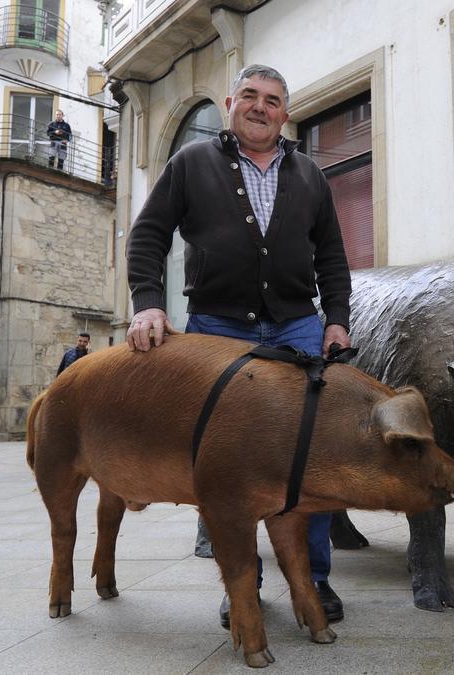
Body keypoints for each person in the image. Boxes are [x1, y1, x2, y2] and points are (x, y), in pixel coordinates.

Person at [125, 64, 353, 629]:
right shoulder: (191, 163)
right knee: (227, 467)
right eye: (249, 96)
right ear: (230, 103)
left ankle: (315, 580)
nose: (260, 106)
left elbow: (331, 256)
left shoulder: (309, 175)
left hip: (299, 327)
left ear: (284, 112)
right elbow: (149, 235)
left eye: (273, 99)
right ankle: (242, 585)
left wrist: (337, 322)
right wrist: (148, 303)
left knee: (311, 459)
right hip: (218, 329)